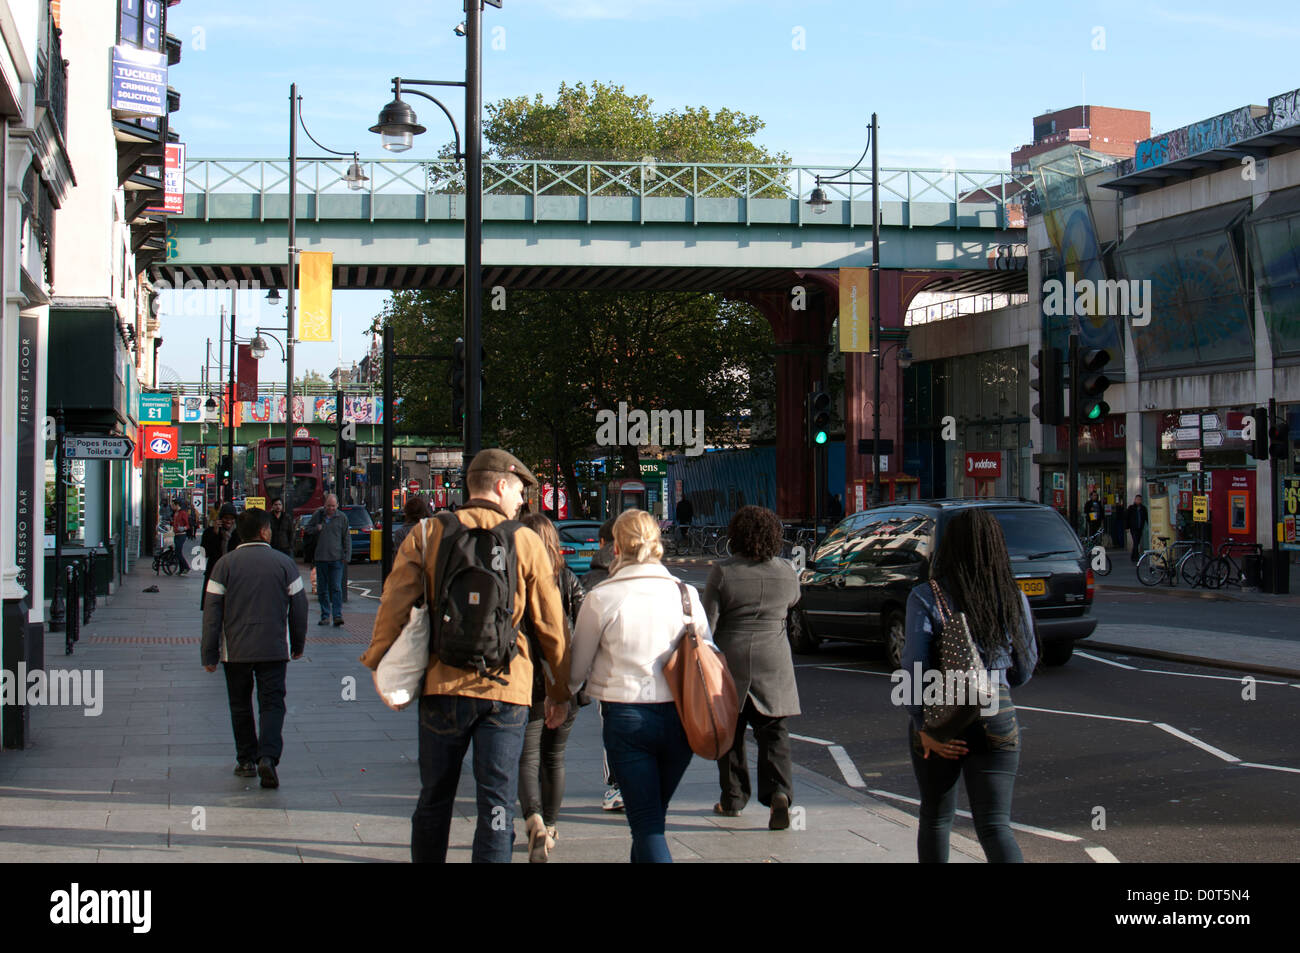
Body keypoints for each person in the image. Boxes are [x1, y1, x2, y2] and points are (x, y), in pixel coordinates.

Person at [361, 449, 571, 864]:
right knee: (495, 803)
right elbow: (552, 626)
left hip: (442, 684)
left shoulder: (426, 534)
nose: (521, 501)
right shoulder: (526, 541)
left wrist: (379, 662)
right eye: (518, 491)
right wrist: (560, 691)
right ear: (499, 486)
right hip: (507, 691)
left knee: (434, 796)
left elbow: (393, 604)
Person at [568, 509, 711, 863]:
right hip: (681, 719)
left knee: (646, 824)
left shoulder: (602, 597)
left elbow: (576, 668)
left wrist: (560, 699)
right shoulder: (687, 595)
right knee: (651, 817)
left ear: (616, 548)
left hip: (626, 716)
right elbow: (707, 653)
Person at [902, 508, 1038, 863]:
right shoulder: (1013, 596)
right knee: (995, 826)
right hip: (997, 711)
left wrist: (922, 727)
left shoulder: (926, 596)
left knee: (935, 818)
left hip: (942, 717)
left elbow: (913, 667)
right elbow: (1025, 669)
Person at [702, 505, 802, 830]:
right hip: (774, 660)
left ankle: (732, 799)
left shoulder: (723, 571)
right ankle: (779, 796)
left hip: (731, 660)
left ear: (736, 536)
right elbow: (792, 601)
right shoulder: (787, 571)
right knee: (774, 733)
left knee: (729, 734)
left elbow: (708, 623)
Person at [201, 507, 308, 788]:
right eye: (269, 528)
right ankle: (268, 757)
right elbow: (299, 608)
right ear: (263, 532)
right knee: (272, 703)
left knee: (240, 704)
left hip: (235, 650)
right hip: (274, 648)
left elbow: (211, 614)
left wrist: (209, 653)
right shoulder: (285, 564)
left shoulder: (224, 565)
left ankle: (246, 759)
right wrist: (297, 643)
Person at [516, 513, 584, 861]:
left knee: (526, 758)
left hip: (525, 681)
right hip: (561, 679)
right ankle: (552, 824)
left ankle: (534, 819)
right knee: (554, 757)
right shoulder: (568, 578)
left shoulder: (514, 579)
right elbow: (582, 628)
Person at [578, 518, 622, 813]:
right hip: (652, 674)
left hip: (608, 672)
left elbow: (580, 636)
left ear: (604, 544)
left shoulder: (592, 582)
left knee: (613, 727)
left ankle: (617, 786)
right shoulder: (664, 583)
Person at [308, 494, 351, 627]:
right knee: (322, 589)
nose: (331, 508)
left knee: (336, 588)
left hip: (336, 559)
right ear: (324, 505)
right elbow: (308, 530)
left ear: (337, 505)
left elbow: (346, 538)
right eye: (328, 506)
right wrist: (317, 528)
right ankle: (325, 615)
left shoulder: (342, 518)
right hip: (321, 558)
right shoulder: (318, 515)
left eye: (333, 506)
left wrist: (347, 556)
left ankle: (337, 615)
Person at [199, 503, 241, 610]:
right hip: (215, 573)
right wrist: (215, 534)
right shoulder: (210, 532)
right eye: (226, 518)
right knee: (214, 607)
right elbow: (204, 553)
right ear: (220, 518)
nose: (228, 521)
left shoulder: (238, 534)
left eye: (231, 519)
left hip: (233, 575)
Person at [1126, 493, 1149, 561]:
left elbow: (1146, 517)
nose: (1138, 501)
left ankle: (1133, 556)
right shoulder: (1131, 508)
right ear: (1135, 500)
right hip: (1133, 528)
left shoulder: (1143, 508)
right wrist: (1127, 527)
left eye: (1140, 500)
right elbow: (1127, 518)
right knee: (1135, 542)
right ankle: (1136, 556)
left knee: (1137, 542)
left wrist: (1149, 525)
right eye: (1137, 499)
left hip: (1140, 527)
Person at [171, 499, 192, 574]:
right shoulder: (175, 513)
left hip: (181, 535)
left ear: (177, 505)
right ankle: (181, 569)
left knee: (178, 552)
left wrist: (183, 528)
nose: (172, 506)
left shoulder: (183, 513)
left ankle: (186, 567)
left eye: (173, 505)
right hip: (176, 534)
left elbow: (187, 525)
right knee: (178, 552)